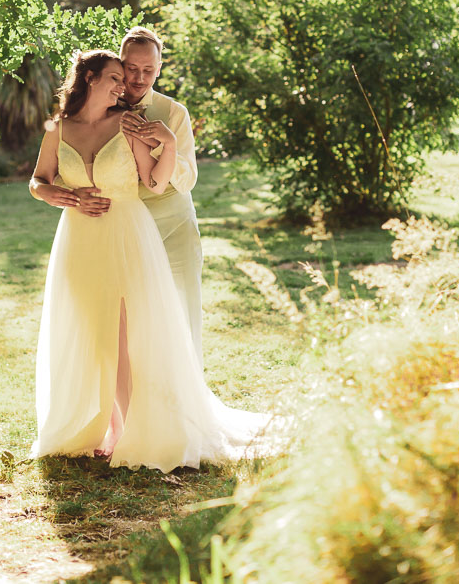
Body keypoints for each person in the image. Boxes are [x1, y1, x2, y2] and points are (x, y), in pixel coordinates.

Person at [28, 49, 282, 471]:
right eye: (115, 77)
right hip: (78, 239)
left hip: (128, 234)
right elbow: (39, 179)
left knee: (128, 335)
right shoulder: (59, 127)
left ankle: (130, 430)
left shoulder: (127, 124)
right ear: (90, 78)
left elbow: (156, 180)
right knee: (89, 329)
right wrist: (55, 195)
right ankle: (93, 427)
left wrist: (166, 140)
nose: (122, 85)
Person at [73, 27, 203, 366]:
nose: (140, 78)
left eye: (149, 70)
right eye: (132, 68)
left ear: (159, 68)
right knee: (130, 325)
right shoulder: (99, 108)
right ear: (120, 62)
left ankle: (182, 403)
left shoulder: (173, 112)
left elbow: (187, 180)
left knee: (180, 314)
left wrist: (164, 143)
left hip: (172, 227)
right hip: (120, 229)